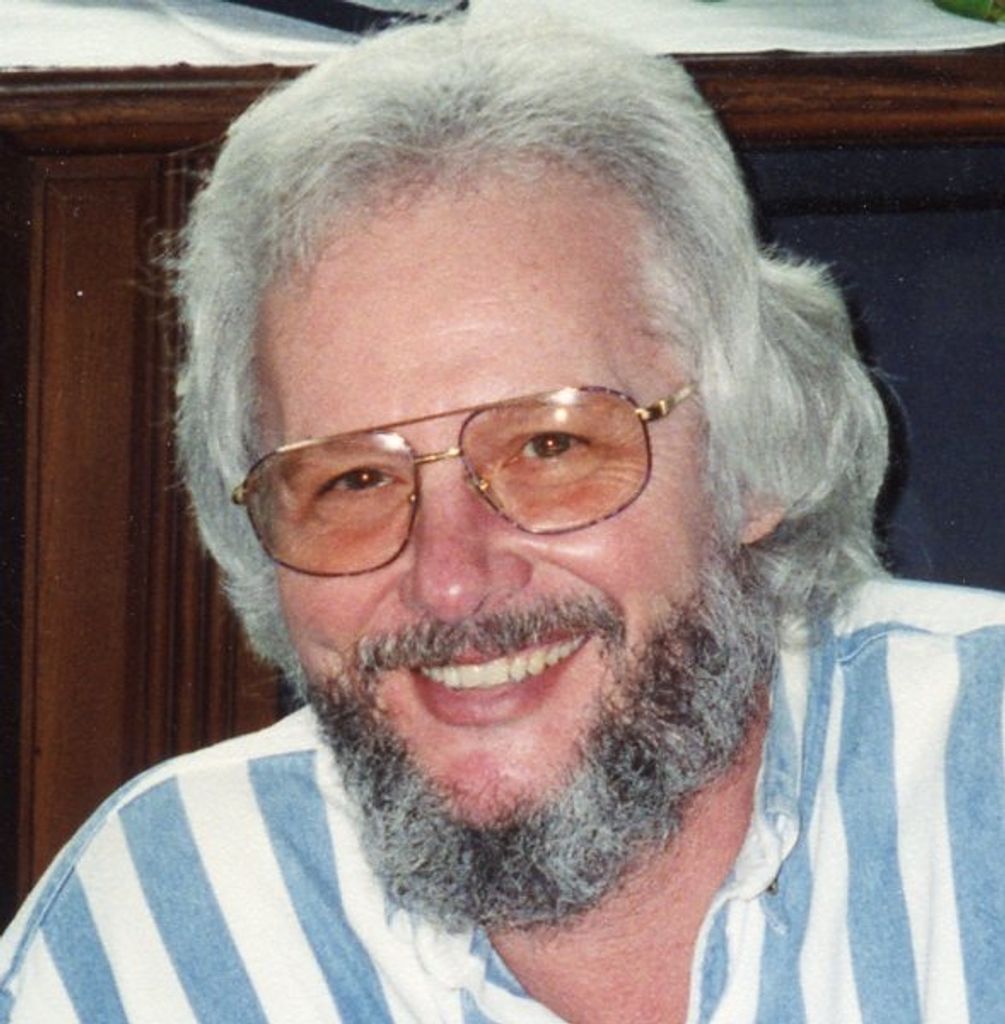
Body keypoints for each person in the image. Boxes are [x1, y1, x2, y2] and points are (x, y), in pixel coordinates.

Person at [2, 10, 1003, 1023]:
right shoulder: (152, 935)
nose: (449, 579)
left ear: (751, 459)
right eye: (353, 480)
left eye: (549, 447)